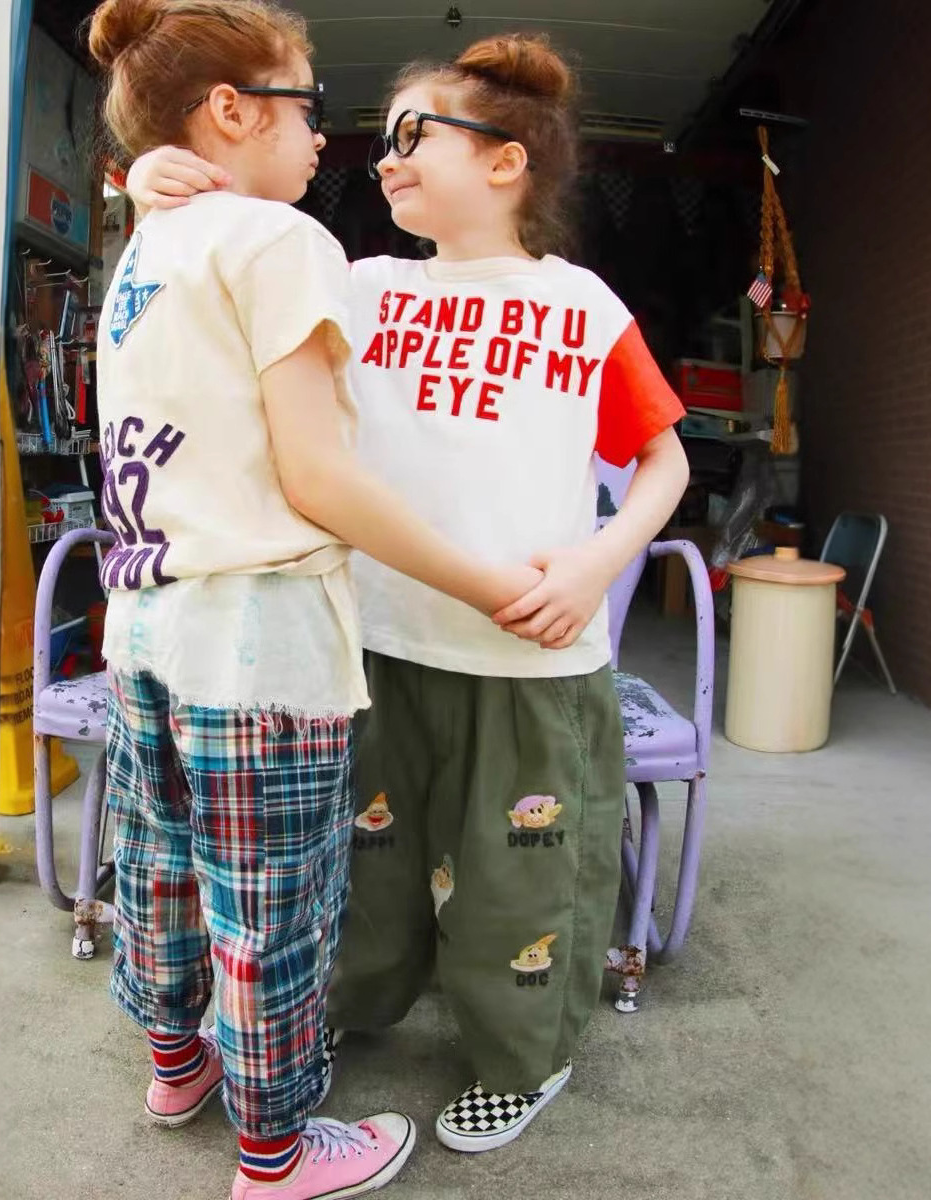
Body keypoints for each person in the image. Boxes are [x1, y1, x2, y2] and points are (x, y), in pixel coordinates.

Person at [127, 31, 689, 1154]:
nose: (382, 159)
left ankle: (524, 1056)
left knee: (517, 882)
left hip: (529, 656)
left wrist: (597, 562)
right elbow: (231, 262)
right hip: (373, 644)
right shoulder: (361, 282)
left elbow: (664, 459)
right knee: (364, 869)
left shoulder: (582, 303)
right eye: (383, 141)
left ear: (507, 161)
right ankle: (344, 1013)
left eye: (413, 137)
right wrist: (149, 183)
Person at [86, 4, 540, 1196]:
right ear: (232, 111)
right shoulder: (280, 240)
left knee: (161, 869)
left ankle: (176, 1065)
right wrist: (486, 580)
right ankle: (276, 1155)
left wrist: (140, 185)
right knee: (271, 907)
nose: (325, 139)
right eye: (310, 107)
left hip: (144, 621)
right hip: (257, 638)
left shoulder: (148, 244)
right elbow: (317, 478)